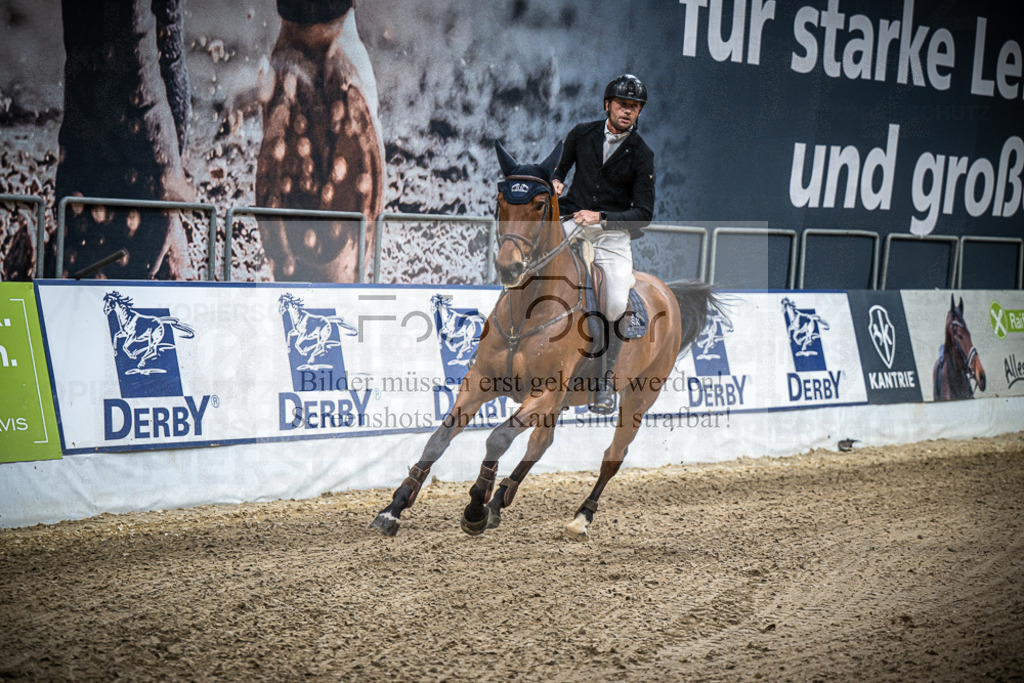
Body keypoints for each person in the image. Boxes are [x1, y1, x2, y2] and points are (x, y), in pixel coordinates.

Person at [552, 74, 655, 414]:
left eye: (635, 107)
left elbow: (643, 214)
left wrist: (601, 217)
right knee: (531, 264)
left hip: (611, 235)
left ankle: (604, 381)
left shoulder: (642, 154)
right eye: (623, 104)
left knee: (614, 303)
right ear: (607, 104)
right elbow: (560, 168)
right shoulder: (581, 134)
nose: (628, 111)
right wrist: (555, 181)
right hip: (572, 221)